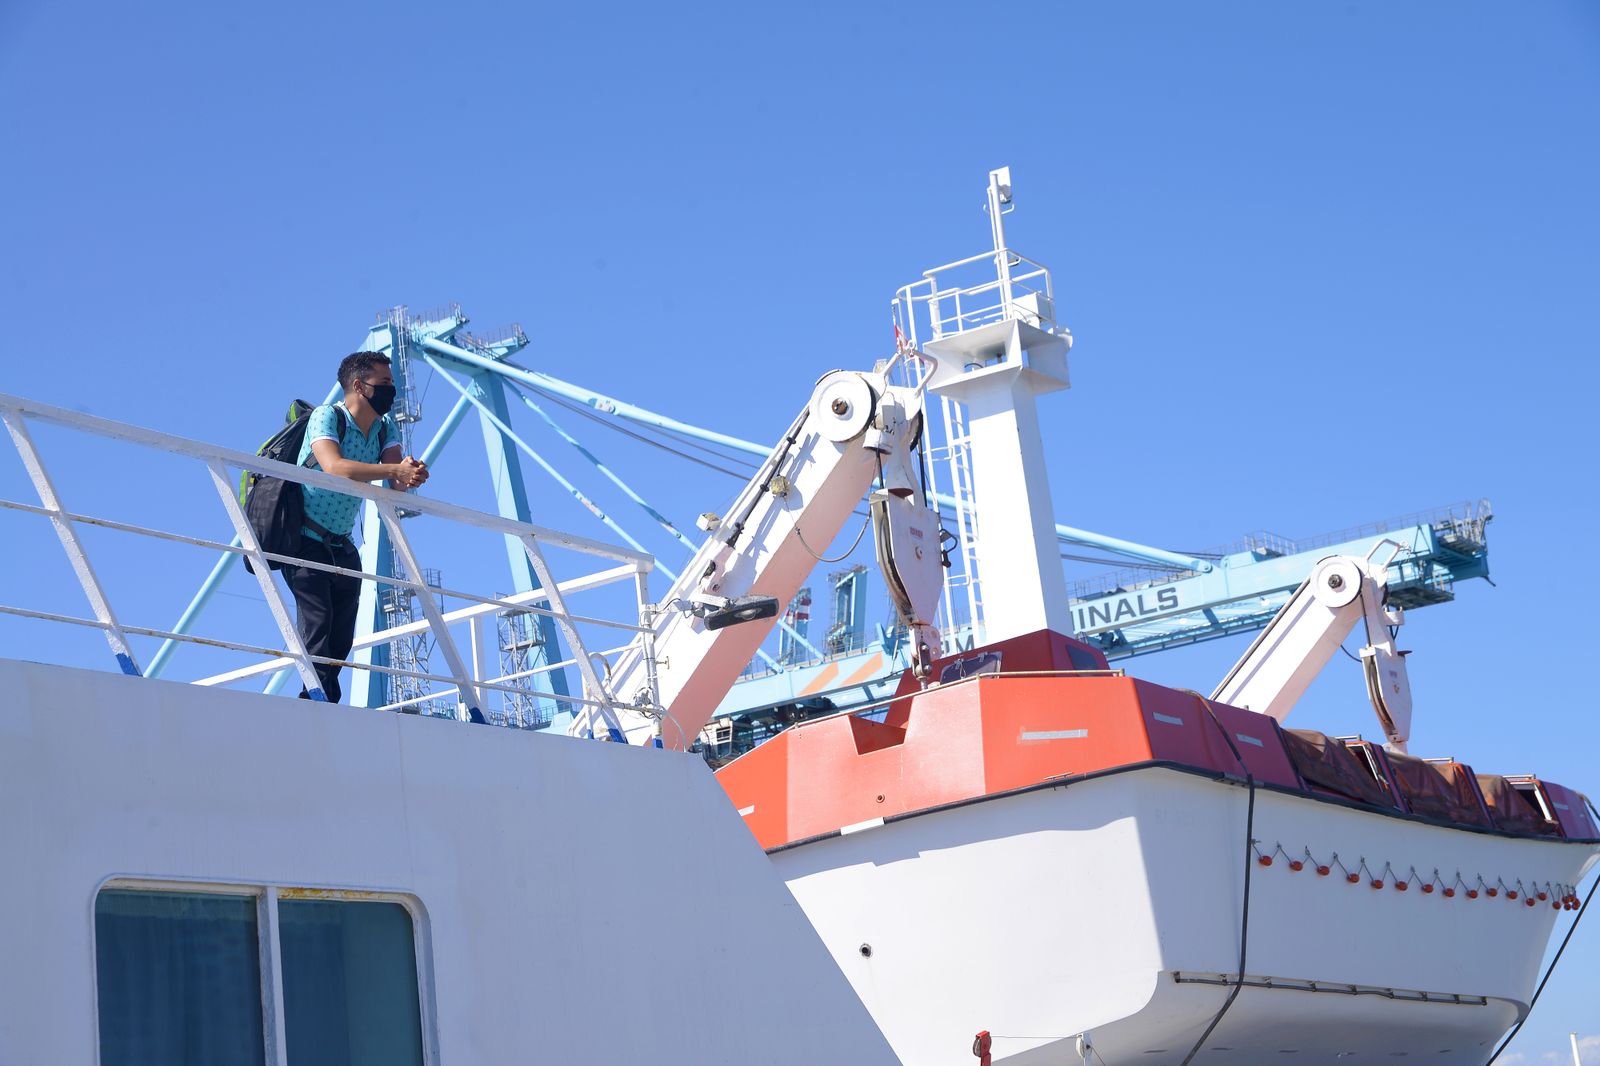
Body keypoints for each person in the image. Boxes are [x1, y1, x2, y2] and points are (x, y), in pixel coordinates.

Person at [284, 351, 429, 703]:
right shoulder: (326, 417)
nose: (391, 391)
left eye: (391, 383)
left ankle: (318, 704)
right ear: (358, 386)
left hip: (342, 543)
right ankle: (317, 708)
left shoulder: (384, 427)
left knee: (341, 639)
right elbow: (333, 465)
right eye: (384, 384)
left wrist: (411, 472)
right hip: (303, 538)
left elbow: (396, 483)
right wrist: (394, 471)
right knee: (318, 628)